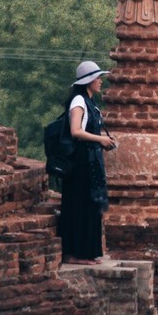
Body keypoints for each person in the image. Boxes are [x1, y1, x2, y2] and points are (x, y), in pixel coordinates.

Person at [58, 60, 116, 265]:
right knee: (79, 205)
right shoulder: (79, 102)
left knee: (90, 206)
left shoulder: (91, 103)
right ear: (88, 81)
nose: (100, 81)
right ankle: (75, 253)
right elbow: (76, 131)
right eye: (97, 78)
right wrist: (100, 140)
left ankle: (87, 252)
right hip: (79, 163)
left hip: (90, 161)